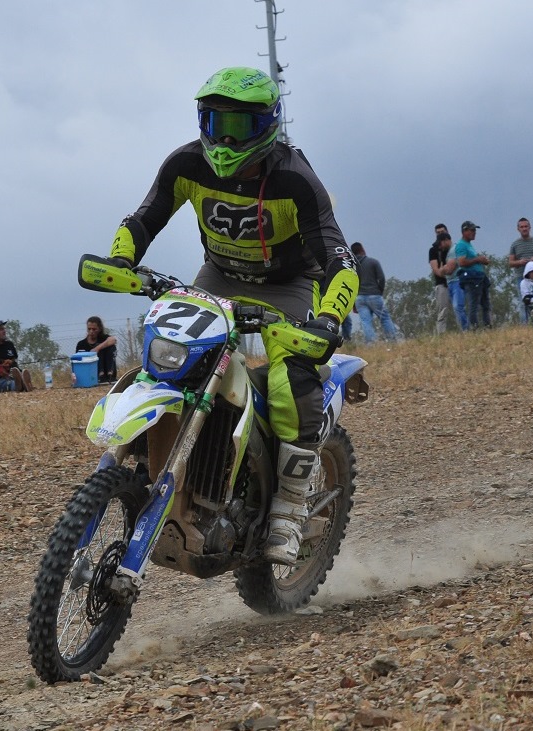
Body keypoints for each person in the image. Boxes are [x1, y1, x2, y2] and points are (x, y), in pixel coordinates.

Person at [102, 66, 358, 565]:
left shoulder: (296, 180)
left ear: (268, 125)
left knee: (291, 375)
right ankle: (170, 467)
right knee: (175, 359)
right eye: (216, 123)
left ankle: (288, 507)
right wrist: (119, 259)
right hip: (219, 277)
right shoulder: (186, 164)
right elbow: (145, 217)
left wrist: (329, 318)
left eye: (239, 126)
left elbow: (338, 258)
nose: (225, 139)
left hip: (289, 286)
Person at [352, 242, 400, 342]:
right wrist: (379, 291)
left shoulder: (352, 267)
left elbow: (351, 285)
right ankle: (392, 340)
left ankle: (371, 344)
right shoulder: (373, 262)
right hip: (374, 295)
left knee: (366, 322)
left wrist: (353, 304)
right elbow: (381, 278)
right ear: (363, 250)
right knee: (385, 318)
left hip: (359, 298)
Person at [507, 218, 533, 321]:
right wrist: (520, 262)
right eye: (522, 227)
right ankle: (525, 325)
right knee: (524, 302)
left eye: (526, 226)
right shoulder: (515, 244)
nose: (524, 229)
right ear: (518, 229)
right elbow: (510, 263)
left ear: (530, 227)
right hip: (521, 277)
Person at [454, 221, 491, 329]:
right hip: (472, 279)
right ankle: (474, 328)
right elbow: (461, 262)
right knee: (474, 305)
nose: (474, 232)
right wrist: (478, 259)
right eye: (472, 230)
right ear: (464, 231)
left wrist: (482, 261)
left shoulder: (469, 244)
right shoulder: (461, 245)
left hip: (479, 277)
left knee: (485, 304)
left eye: (475, 230)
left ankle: (487, 326)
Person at [0, 320, 33, 392]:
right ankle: (21, 385)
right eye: (1, 329)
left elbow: (14, 359)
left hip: (15, 374)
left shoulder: (9, 344)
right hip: (1, 380)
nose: (4, 331)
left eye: (4, 329)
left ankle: (23, 383)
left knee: (18, 377)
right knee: (10, 384)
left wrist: (11, 362)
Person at [75, 316, 118, 383]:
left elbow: (113, 340)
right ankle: (100, 374)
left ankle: (110, 374)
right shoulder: (81, 344)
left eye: (94, 329)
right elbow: (76, 361)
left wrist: (97, 348)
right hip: (90, 372)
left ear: (100, 329)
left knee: (110, 346)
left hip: (107, 369)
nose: (91, 331)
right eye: (89, 329)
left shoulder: (104, 338)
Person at [428, 227, 456, 334]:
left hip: (456, 281)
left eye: (442, 232)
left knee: (459, 307)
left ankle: (466, 330)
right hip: (442, 284)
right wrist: (443, 272)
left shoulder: (454, 248)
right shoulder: (433, 250)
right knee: (442, 311)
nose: (440, 234)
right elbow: (435, 269)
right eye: (438, 232)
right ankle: (441, 334)